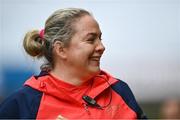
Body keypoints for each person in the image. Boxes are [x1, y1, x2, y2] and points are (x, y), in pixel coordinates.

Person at [0, 8, 146, 119]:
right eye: (91, 39)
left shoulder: (119, 90)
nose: (101, 47)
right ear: (61, 49)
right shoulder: (24, 102)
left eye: (100, 38)